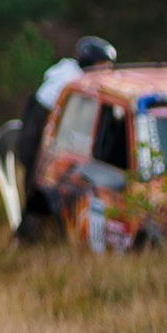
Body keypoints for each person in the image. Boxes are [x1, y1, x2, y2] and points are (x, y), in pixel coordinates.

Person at [13, 35, 116, 234]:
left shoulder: (66, 73)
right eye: (103, 64)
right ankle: (27, 236)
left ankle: (32, 235)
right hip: (37, 141)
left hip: (37, 137)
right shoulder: (72, 80)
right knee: (39, 191)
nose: (107, 70)